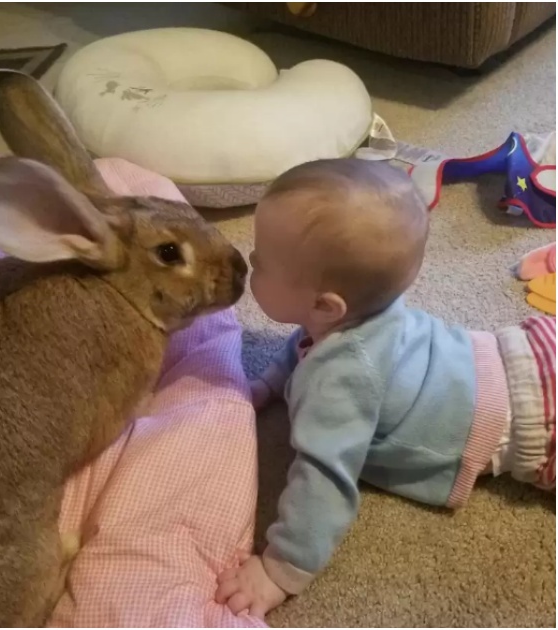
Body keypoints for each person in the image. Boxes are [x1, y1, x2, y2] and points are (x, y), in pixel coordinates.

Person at [216, 159, 555, 617]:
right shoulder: (354, 312)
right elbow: (302, 340)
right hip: (524, 351)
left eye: (258, 263)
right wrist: (268, 385)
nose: (245, 263)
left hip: (531, 417)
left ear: (325, 305)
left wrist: (282, 567)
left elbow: (325, 479)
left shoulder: (339, 378)